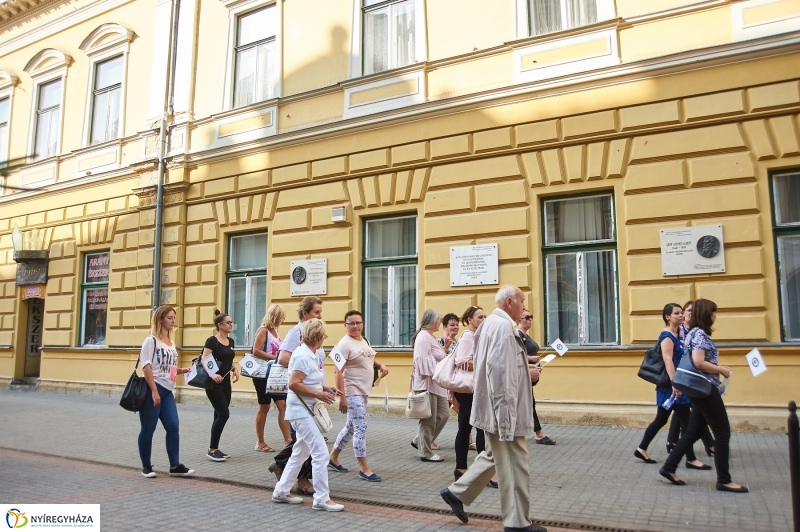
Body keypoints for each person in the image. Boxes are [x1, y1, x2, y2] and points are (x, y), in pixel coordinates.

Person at [440, 285, 546, 532]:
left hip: (498, 410)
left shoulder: (492, 325)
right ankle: (517, 523)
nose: (523, 307)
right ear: (509, 302)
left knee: (494, 456)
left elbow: (500, 366)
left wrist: (524, 369)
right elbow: (498, 373)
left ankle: (457, 494)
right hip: (504, 411)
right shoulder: (501, 327)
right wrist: (505, 418)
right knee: (514, 465)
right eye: (521, 301)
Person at [659, 299, 749, 493]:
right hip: (705, 388)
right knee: (722, 433)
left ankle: (669, 467)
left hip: (700, 389)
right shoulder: (699, 334)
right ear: (706, 314)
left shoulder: (693, 333)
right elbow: (699, 362)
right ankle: (724, 480)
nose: (715, 315)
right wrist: (721, 369)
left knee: (691, 432)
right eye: (713, 312)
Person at [271, 319, 345, 512]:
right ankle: (321, 498)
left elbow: (308, 381)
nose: (324, 340)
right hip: (301, 411)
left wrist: (326, 388)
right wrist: (320, 394)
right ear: (318, 337)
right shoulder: (303, 355)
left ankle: (281, 490)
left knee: (300, 452)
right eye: (324, 336)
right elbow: (294, 384)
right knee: (320, 453)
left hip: (305, 410)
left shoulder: (309, 354)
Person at [634, 303, 709, 470]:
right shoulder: (667, 336)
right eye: (677, 313)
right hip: (671, 385)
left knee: (662, 419)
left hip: (676, 383)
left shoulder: (679, 333)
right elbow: (668, 360)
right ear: (668, 317)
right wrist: (676, 383)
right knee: (685, 422)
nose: (681, 315)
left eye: (682, 312)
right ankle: (690, 458)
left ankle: (642, 448)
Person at [269, 296, 324, 495]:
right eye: (316, 312)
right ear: (304, 314)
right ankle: (311, 488)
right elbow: (283, 357)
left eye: (320, 312)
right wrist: (305, 364)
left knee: (301, 446)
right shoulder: (299, 335)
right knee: (313, 448)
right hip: (300, 398)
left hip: (310, 397)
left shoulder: (312, 336)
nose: (320, 316)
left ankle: (282, 485)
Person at [328, 310, 389, 481]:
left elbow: (369, 358)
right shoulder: (343, 344)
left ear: (362, 324)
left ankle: (332, 458)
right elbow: (337, 372)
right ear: (345, 325)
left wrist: (381, 364)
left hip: (363, 390)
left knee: (351, 427)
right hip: (352, 391)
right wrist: (343, 397)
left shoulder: (363, 340)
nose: (355, 326)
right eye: (351, 323)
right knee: (361, 427)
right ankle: (364, 468)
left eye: (358, 323)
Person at [137, 305, 194, 478]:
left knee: (173, 426)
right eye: (170, 318)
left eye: (174, 318)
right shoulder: (151, 340)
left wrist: (182, 370)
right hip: (152, 389)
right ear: (160, 319)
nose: (173, 321)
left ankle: (175, 466)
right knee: (148, 429)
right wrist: (154, 391)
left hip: (168, 390)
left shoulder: (171, 343)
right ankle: (146, 467)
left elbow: (168, 368)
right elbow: (146, 366)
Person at [667, 299, 715, 457]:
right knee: (691, 411)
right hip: (685, 376)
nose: (688, 314)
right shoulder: (679, 331)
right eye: (687, 311)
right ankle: (707, 445)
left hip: (692, 376)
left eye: (690, 311)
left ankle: (674, 442)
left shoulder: (694, 330)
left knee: (683, 410)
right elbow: (671, 357)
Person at [251, 304, 291, 452]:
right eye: (281, 317)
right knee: (264, 407)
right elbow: (256, 351)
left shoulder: (275, 331)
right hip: (262, 375)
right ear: (275, 316)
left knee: (283, 405)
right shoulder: (263, 330)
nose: (282, 320)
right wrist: (275, 357)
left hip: (275, 375)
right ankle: (260, 442)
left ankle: (288, 440)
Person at [452, 305, 486, 481]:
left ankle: (461, 469)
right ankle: (484, 471)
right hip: (466, 388)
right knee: (481, 426)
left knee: (464, 428)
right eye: (480, 317)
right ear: (470, 320)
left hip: (469, 388)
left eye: (485, 317)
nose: (483, 320)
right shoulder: (468, 336)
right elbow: (461, 361)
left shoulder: (478, 336)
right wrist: (483, 362)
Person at [411, 309, 449, 462]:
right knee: (428, 419)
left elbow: (435, 356)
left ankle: (419, 440)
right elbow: (421, 360)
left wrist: (445, 348)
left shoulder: (430, 337)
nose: (440, 322)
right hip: (427, 383)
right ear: (433, 321)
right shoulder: (423, 336)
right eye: (439, 320)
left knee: (443, 415)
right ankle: (425, 452)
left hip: (436, 383)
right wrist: (440, 365)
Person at [202, 310, 240, 462]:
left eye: (232, 322)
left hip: (226, 383)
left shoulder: (231, 341)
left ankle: (215, 447)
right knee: (224, 414)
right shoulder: (212, 341)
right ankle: (212, 450)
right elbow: (205, 359)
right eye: (228, 322)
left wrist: (234, 367)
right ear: (220, 325)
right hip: (213, 383)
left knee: (219, 414)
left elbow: (227, 359)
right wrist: (212, 373)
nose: (231, 325)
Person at [517, 309, 556, 446]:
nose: (530, 320)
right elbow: (517, 356)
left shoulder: (526, 336)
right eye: (527, 317)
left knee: (527, 403)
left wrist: (537, 364)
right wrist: (530, 364)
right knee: (529, 403)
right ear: (519, 320)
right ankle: (539, 433)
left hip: (531, 372)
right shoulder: (518, 335)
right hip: (522, 374)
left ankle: (526, 432)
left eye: (531, 317)